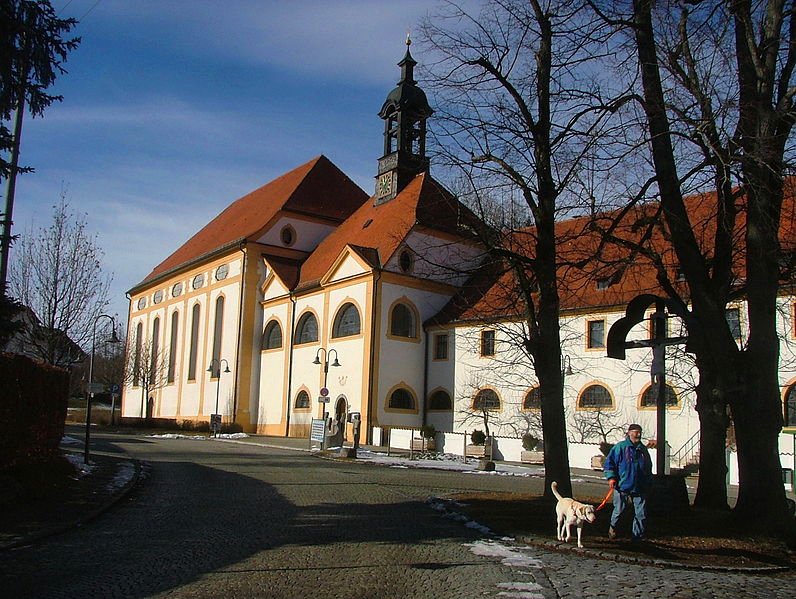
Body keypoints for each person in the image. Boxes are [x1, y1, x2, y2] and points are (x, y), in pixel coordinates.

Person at [603, 423, 653, 541]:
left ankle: (637, 538)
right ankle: (613, 528)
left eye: (640, 432)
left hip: (640, 487)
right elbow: (609, 464)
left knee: (641, 514)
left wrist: (649, 482)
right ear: (629, 433)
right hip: (622, 486)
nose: (638, 435)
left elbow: (648, 467)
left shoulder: (643, 450)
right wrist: (611, 477)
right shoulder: (620, 447)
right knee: (619, 511)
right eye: (636, 432)